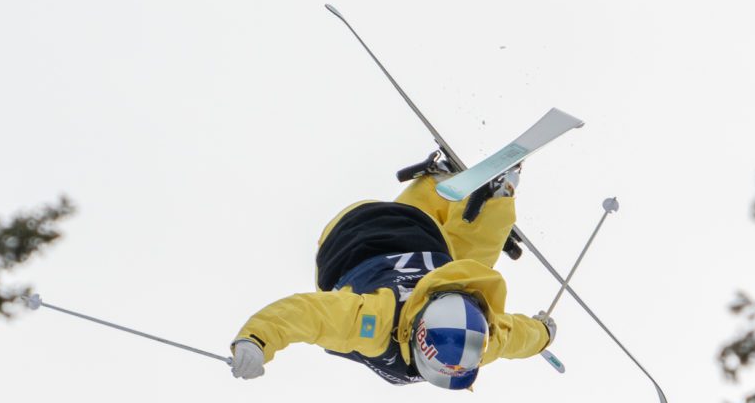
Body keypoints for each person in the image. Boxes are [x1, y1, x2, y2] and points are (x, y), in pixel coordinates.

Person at [229, 158, 556, 390]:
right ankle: (481, 200)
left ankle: (445, 189)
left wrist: (256, 340)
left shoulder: (373, 324)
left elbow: (309, 315)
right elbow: (513, 337)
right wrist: (542, 334)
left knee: (462, 267)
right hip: (386, 237)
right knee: (460, 264)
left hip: (351, 244)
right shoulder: (462, 344)